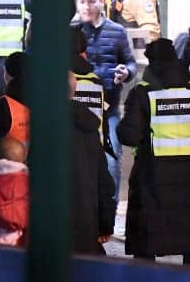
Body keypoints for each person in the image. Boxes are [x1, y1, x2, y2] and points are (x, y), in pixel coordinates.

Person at [118, 38, 190, 263]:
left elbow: (129, 135)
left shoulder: (143, 93)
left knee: (146, 240)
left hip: (151, 176)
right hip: (189, 176)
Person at [73, 0, 136, 201]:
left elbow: (130, 63)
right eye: (82, 2)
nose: (86, 7)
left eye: (91, 1)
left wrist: (126, 72)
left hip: (108, 109)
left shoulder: (117, 32)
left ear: (101, 2)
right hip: (78, 107)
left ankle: (109, 212)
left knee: (111, 159)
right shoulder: (72, 30)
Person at [68, 66, 117, 255]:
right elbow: (103, 180)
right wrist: (106, 224)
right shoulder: (89, 128)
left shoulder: (41, 123)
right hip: (85, 225)